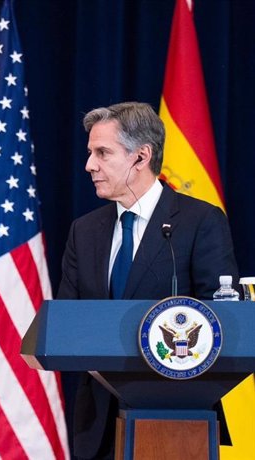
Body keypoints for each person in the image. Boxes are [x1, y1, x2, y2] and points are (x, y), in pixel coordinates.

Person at [57, 102, 238, 459]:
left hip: (178, 422)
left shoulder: (200, 221)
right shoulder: (85, 231)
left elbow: (223, 318)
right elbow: (66, 322)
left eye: (102, 153)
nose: (89, 165)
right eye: (91, 153)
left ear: (141, 156)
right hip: (97, 425)